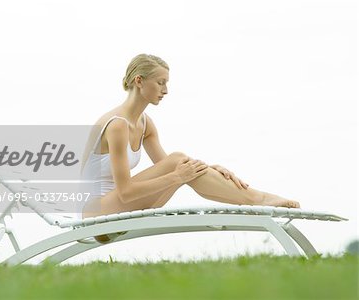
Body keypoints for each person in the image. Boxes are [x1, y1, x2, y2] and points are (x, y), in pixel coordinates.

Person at [80, 54, 300, 241]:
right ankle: (257, 199)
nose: (165, 90)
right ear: (139, 81)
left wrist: (205, 169)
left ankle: (252, 201)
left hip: (118, 208)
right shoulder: (117, 125)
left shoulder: (145, 123)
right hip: (97, 213)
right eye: (160, 82)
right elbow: (127, 193)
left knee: (183, 163)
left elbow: (167, 167)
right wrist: (180, 174)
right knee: (180, 162)